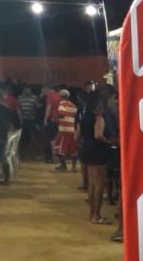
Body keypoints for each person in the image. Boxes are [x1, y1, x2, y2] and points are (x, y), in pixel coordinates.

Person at [80, 93, 113, 224]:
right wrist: (109, 142)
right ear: (98, 107)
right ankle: (97, 215)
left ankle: (92, 214)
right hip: (98, 151)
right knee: (99, 184)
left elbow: (77, 136)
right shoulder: (98, 118)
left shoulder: (84, 118)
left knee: (92, 184)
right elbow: (98, 135)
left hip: (87, 150)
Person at [53, 89, 78, 171]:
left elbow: (62, 114)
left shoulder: (62, 103)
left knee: (58, 146)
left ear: (60, 96)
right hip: (72, 129)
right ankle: (74, 167)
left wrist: (56, 116)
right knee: (73, 148)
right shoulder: (73, 105)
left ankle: (63, 166)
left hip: (64, 129)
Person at [42, 84, 62, 163]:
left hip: (52, 120)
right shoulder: (59, 95)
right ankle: (58, 156)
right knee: (58, 138)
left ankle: (54, 156)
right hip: (59, 120)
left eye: (43, 90)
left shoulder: (50, 96)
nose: (43, 92)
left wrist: (45, 119)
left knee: (52, 138)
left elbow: (49, 108)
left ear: (46, 89)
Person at [17, 85, 39, 156]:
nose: (28, 91)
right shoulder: (20, 97)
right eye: (26, 89)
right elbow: (18, 108)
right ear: (24, 90)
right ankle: (21, 153)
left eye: (29, 89)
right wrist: (20, 119)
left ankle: (34, 153)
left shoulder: (34, 97)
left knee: (32, 136)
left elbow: (37, 107)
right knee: (22, 137)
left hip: (32, 119)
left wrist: (37, 120)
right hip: (23, 119)